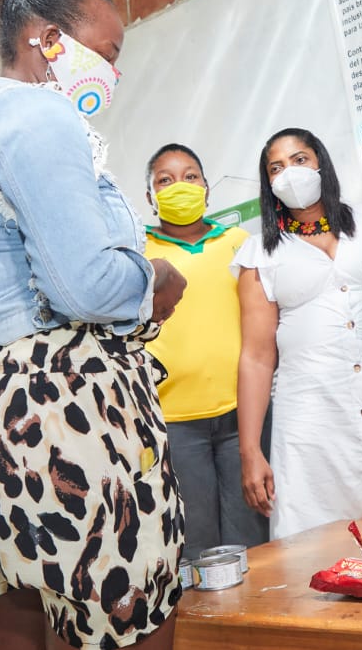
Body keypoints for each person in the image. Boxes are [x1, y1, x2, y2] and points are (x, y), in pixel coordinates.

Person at [0, 0, 187, 650]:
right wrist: (152, 277)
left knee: (7, 618)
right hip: (62, 412)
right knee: (129, 621)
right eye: (106, 53)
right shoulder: (35, 111)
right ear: (45, 41)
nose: (112, 72)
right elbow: (84, 286)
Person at [233, 128, 362, 539]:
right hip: (311, 417)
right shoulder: (261, 253)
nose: (289, 172)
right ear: (267, 183)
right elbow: (256, 357)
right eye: (276, 167)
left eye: (299, 159)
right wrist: (250, 450)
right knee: (318, 540)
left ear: (321, 163)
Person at [143, 144, 268, 559]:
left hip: (243, 419)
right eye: (165, 179)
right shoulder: (137, 253)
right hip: (173, 423)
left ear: (207, 189)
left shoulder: (239, 242)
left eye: (190, 176)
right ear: (150, 197)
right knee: (192, 546)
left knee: (254, 540)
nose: (180, 186)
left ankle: (255, 623)